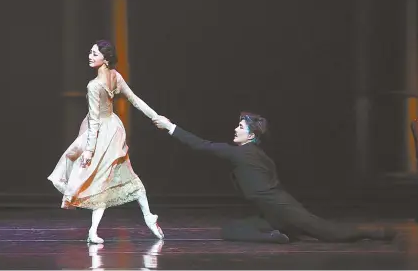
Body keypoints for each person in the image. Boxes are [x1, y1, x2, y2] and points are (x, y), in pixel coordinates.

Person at [152, 112, 396, 243]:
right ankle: (277, 237)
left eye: (240, 127)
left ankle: (376, 233)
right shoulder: (255, 154)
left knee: (330, 233)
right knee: (231, 230)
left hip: (283, 209)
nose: (235, 129)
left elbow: (201, 145)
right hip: (272, 215)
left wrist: (170, 126)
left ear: (250, 135)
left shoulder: (242, 154)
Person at [48, 40, 164, 243]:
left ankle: (144, 216)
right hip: (113, 129)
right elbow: (135, 100)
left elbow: (95, 120)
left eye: (95, 54)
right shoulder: (114, 77)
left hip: (102, 132)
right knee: (103, 179)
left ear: (106, 59)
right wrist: (156, 117)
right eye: (90, 52)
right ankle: (102, 228)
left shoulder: (94, 85)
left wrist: (89, 150)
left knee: (102, 177)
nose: (90, 56)